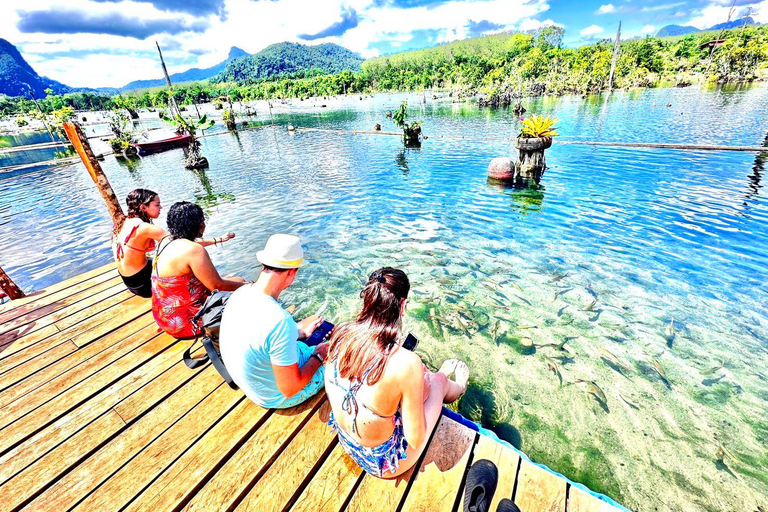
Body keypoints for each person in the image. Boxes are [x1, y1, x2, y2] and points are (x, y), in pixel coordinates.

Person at [324, 267, 469, 479]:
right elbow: (416, 439)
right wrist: (423, 383)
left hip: (346, 440)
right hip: (381, 462)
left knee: (410, 382)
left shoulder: (341, 333)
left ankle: (431, 381)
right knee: (436, 381)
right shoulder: (405, 362)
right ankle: (456, 386)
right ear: (404, 305)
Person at [219, 234, 329, 409]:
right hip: (276, 396)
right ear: (292, 272)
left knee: (315, 321)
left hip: (254, 385)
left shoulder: (241, 293)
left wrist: (298, 334)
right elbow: (290, 389)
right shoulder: (279, 321)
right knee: (343, 349)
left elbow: (260, 335)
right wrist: (319, 355)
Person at [113, 189, 235, 298]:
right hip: (144, 284)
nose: (161, 208)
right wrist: (218, 239)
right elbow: (181, 244)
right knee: (189, 261)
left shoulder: (123, 222)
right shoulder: (145, 228)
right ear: (144, 207)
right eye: (157, 205)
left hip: (129, 280)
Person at [151, 201, 245, 338]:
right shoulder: (194, 250)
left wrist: (217, 240)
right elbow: (217, 285)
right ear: (199, 225)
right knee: (246, 294)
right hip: (187, 322)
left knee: (239, 280)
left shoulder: (165, 241)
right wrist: (252, 286)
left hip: (165, 318)